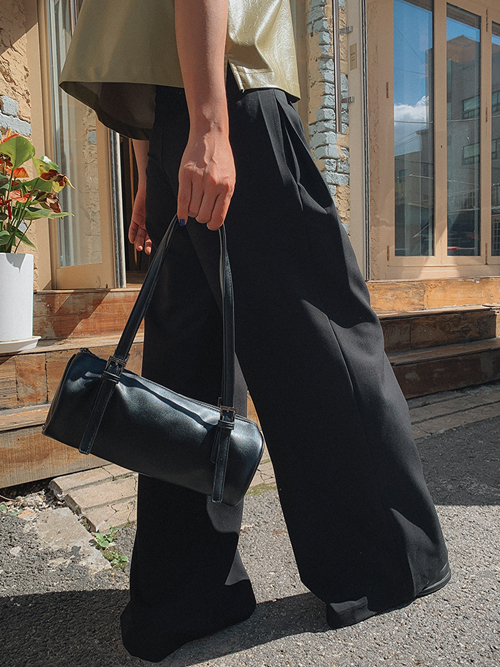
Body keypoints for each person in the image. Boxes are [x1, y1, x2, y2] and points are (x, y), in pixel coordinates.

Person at [60, 0, 450, 661]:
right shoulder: (223, 110)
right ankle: (389, 561)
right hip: (232, 101)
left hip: (176, 117)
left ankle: (183, 598)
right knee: (325, 329)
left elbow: (141, 46)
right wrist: (211, 126)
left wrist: (152, 164)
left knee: (189, 366)